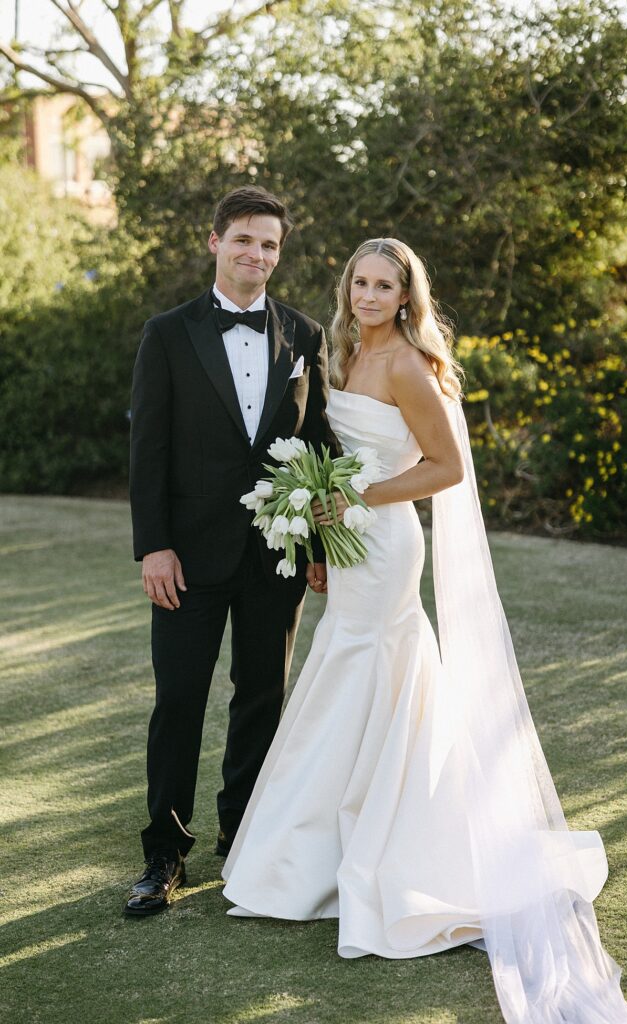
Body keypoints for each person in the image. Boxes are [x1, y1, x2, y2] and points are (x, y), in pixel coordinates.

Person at [222, 238, 627, 1023]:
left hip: (383, 544)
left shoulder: (408, 366)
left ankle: (381, 851)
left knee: (369, 667)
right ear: (346, 288)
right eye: (360, 282)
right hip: (348, 544)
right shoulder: (341, 351)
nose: (370, 295)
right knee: (344, 673)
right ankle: (308, 855)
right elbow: (328, 448)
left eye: (386, 285)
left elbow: (445, 467)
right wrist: (321, 517)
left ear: (408, 296)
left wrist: (357, 500)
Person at [125, 186, 339, 917]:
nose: (257, 254)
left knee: (262, 697)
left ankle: (243, 837)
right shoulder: (168, 332)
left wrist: (315, 544)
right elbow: (147, 447)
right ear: (214, 241)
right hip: (184, 555)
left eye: (270, 244)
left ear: (280, 254)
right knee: (179, 699)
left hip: (273, 555)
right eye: (244, 239)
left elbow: (315, 447)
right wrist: (153, 546)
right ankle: (163, 853)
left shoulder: (305, 337)